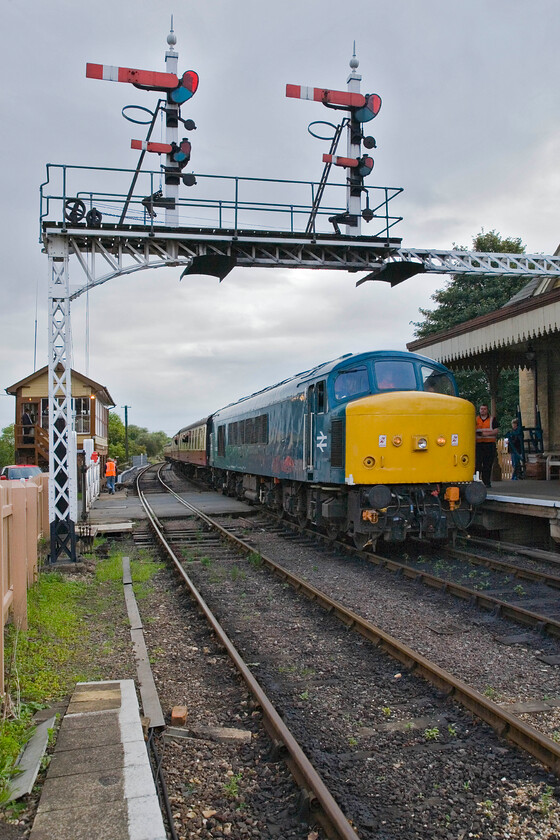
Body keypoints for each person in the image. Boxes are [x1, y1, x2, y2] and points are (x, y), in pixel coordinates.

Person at [475, 404, 498, 488]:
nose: (483, 410)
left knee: (487, 465)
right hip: (479, 445)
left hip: (489, 445)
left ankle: (487, 482)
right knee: (477, 464)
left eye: (484, 409)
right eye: (481, 409)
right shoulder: (475, 420)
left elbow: (496, 431)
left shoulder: (492, 419)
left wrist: (485, 434)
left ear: (487, 410)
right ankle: (476, 481)